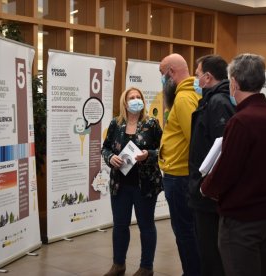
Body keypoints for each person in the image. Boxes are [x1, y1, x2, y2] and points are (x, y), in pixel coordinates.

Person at [200, 53, 266, 276]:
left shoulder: (241, 121)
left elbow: (226, 171)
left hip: (242, 218)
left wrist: (206, 187)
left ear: (234, 83)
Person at [101, 87, 163, 276]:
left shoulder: (151, 124)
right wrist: (110, 157)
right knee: (120, 226)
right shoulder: (115, 124)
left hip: (144, 185)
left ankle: (146, 267)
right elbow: (105, 148)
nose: (136, 100)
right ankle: (118, 265)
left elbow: (164, 150)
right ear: (124, 102)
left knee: (146, 225)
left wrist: (148, 155)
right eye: (132, 98)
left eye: (138, 97)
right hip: (120, 185)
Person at [188, 54, 235, 276]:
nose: (195, 80)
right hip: (205, 189)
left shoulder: (218, 103)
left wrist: (205, 186)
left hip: (209, 193)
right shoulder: (213, 100)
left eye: (197, 75)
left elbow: (222, 151)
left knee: (211, 253)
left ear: (207, 77)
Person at [159, 53, 201, 275]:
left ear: (171, 73)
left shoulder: (184, 98)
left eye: (162, 75)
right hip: (183, 176)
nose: (162, 81)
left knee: (185, 232)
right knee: (190, 230)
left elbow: (193, 138)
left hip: (179, 177)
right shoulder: (191, 93)